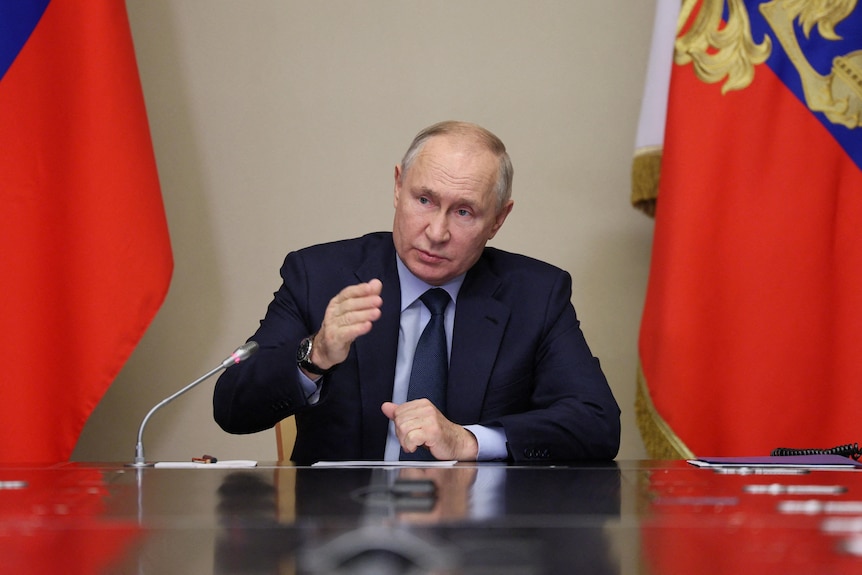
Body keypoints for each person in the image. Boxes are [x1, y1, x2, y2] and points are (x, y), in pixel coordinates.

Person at [213, 120, 620, 464]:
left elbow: (596, 423)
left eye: (464, 212)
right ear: (397, 186)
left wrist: (469, 441)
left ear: (498, 219)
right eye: (424, 200)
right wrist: (315, 356)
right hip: (342, 539)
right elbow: (231, 409)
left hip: (477, 542)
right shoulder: (318, 276)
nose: (437, 232)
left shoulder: (535, 294)